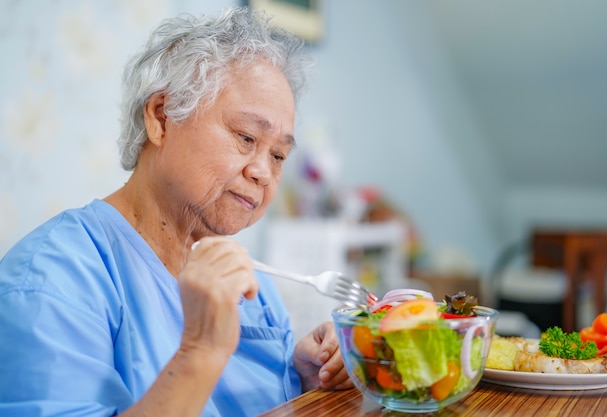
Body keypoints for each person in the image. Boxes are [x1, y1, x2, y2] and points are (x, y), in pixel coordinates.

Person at [0, 7, 352, 417]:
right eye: (245, 137)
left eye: (277, 155)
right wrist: (201, 352)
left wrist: (304, 381)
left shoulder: (252, 281)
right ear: (161, 117)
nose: (262, 172)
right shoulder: (50, 281)